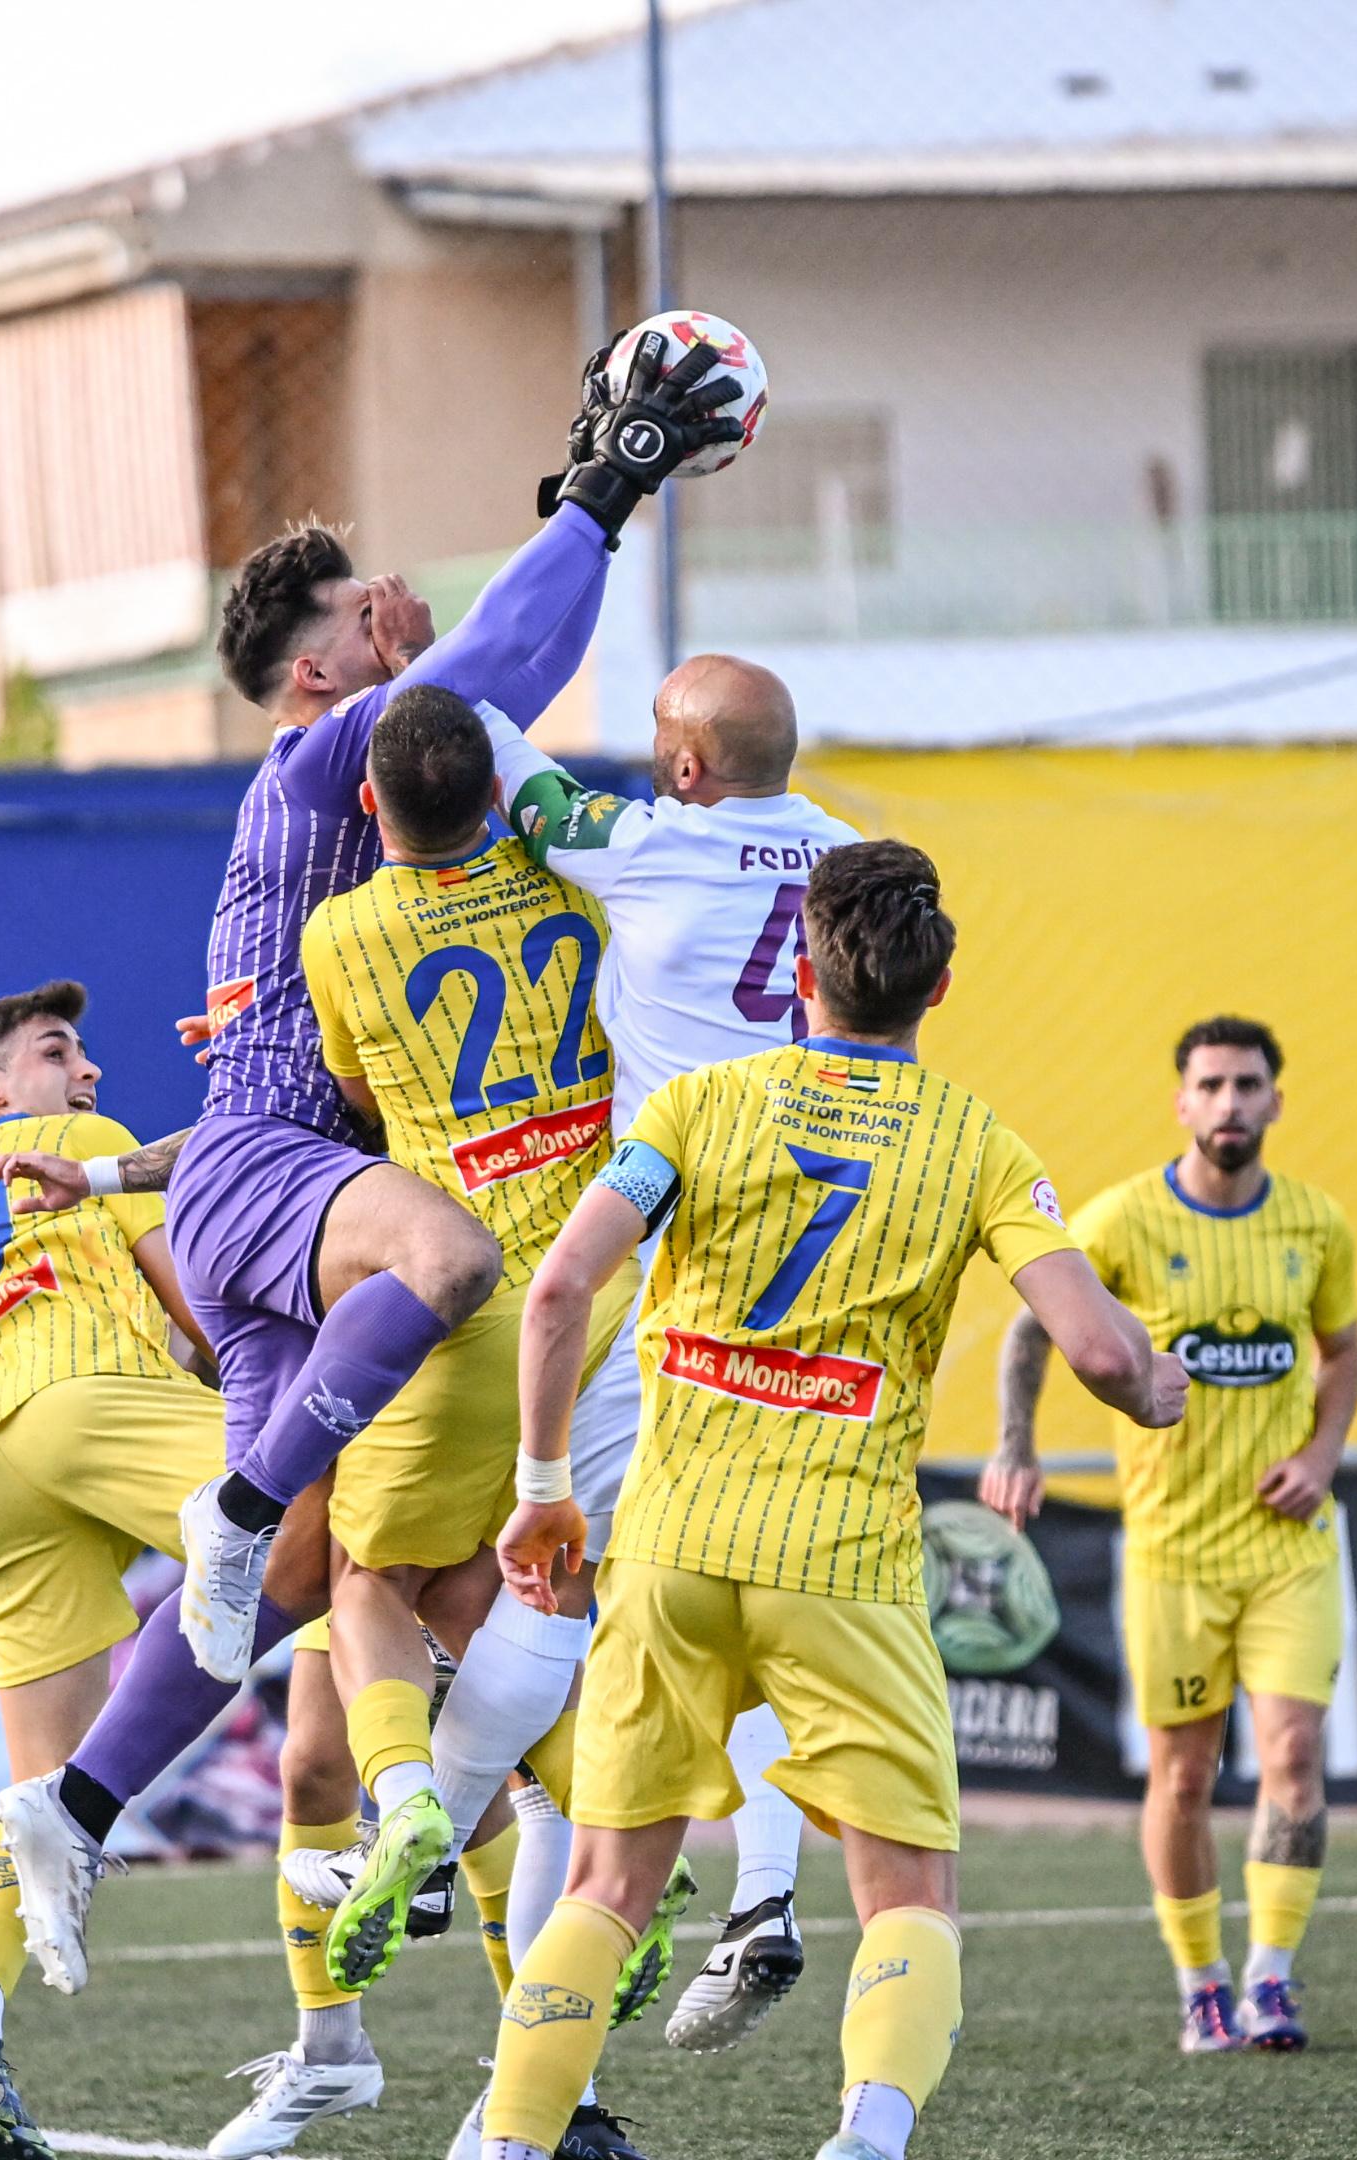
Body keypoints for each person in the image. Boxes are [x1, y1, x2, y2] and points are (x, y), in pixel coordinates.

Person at [0, 332, 743, 2003]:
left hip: (261, 1187)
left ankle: (77, 1804)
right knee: (448, 1275)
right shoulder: (324, 763)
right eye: (357, 604)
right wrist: (609, 490)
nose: (392, 595)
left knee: (324, 1576)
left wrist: (573, 508)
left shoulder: (362, 831)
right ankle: (245, 1519)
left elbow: (497, 683)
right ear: (321, 676)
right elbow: (492, 674)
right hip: (281, 1179)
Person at [469, 840, 1183, 2160]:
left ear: (802, 970)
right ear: (942, 985)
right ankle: (864, 2140)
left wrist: (543, 1490)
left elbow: (563, 1287)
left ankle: (504, 2144)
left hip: (673, 1548)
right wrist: (1157, 1388)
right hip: (841, 1564)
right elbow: (1096, 1349)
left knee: (611, 1882)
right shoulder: (980, 1143)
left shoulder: (692, 1109)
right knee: (907, 1891)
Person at [239, 688, 661, 2160]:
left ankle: (408, 1803)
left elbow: (357, 1097)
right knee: (524, 1604)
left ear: (369, 812)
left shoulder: (342, 932)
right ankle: (597, 1893)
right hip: (608, 1290)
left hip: (465, 1302)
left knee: (369, 1584)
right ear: (497, 791)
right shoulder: (564, 877)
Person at [480, 649, 863, 2054]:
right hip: (830, 1261)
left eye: (656, 739)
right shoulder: (848, 854)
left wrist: (428, 666)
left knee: (599, 1588)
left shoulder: (647, 847)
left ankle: (472, 1825)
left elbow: (505, 771)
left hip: (680, 1255)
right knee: (764, 1589)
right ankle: (763, 1897)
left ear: (688, 765)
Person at [986, 1017, 1357, 2054]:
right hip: (1171, 1553)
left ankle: (1272, 1979)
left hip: (1288, 1548)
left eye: (1250, 1085)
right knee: (1184, 1777)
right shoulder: (1121, 1222)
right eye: (1212, 1085)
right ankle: (1202, 1984)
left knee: (1292, 1756)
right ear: (1182, 1103)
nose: (1232, 1103)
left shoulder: (1317, 1225)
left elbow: (1345, 1354)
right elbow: (1031, 1325)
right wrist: (1015, 1443)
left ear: (1276, 1101)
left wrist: (1325, 1456)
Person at [0, 980, 230, 2160]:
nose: (87, 1072)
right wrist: (243, 1386)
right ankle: (475, 1779)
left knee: (41, 1787)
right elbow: (188, 1299)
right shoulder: (85, 1148)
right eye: (57, 1052)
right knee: (345, 1518)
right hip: (89, 1399)